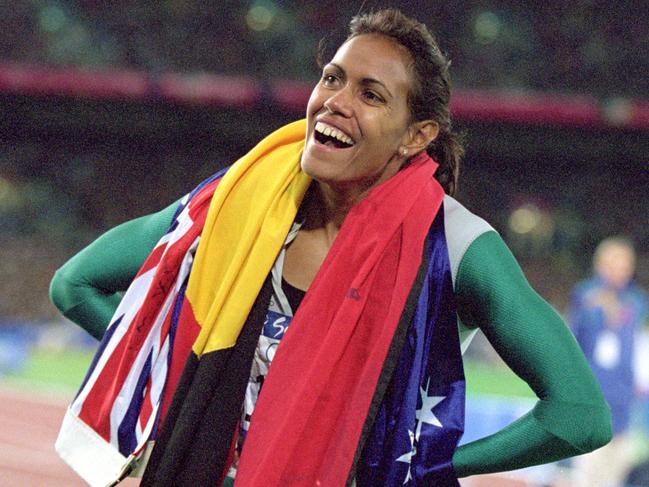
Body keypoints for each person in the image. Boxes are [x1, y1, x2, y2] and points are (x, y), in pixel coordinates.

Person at [49, 8, 611, 487]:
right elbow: (73, 285)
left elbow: (580, 415)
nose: (336, 102)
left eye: (370, 95)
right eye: (333, 78)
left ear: (417, 136)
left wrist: (420, 468)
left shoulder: (456, 245)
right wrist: (188, 388)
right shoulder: (239, 202)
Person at [570, 237, 648, 487]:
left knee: (618, 474)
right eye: (615, 263)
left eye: (626, 264)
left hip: (624, 399)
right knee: (588, 474)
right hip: (593, 397)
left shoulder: (636, 300)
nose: (621, 270)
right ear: (601, 264)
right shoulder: (585, 295)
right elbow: (575, 344)